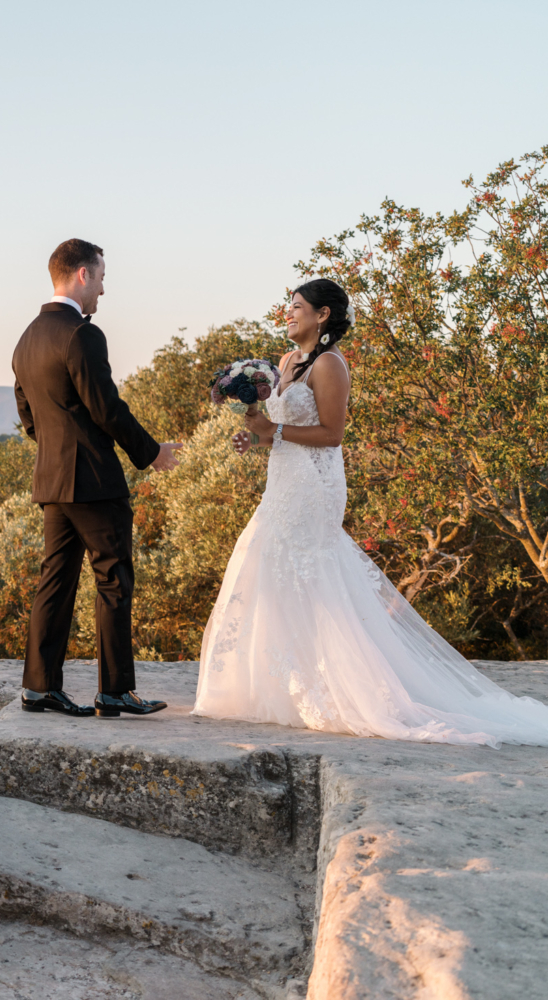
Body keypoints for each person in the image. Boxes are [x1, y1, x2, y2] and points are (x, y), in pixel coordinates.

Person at [194, 278, 548, 747]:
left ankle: (341, 688)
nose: (288, 314)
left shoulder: (330, 364)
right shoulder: (285, 362)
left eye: (297, 307)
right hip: (283, 482)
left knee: (307, 568)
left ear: (322, 315)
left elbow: (331, 434)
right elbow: (279, 429)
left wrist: (272, 432)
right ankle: (279, 687)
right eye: (288, 307)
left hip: (315, 486)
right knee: (266, 561)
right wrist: (255, 436)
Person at [12, 238, 182, 718]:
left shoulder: (27, 338)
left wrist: (56, 451)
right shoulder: (83, 334)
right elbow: (106, 407)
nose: (104, 290)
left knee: (55, 581)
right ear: (82, 275)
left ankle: (39, 687)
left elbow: (28, 417)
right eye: (102, 277)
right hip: (93, 480)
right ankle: (114, 691)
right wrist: (152, 454)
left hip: (51, 483)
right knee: (113, 579)